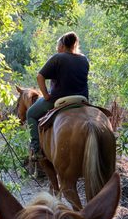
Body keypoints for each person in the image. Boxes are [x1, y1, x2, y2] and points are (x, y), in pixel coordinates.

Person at [27, 31, 89, 161]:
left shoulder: (58, 58)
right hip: (82, 100)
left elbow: (40, 76)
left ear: (62, 46)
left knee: (31, 114)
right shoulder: (84, 59)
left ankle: (36, 150)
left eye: (57, 46)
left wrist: (46, 95)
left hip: (59, 99)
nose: (57, 48)